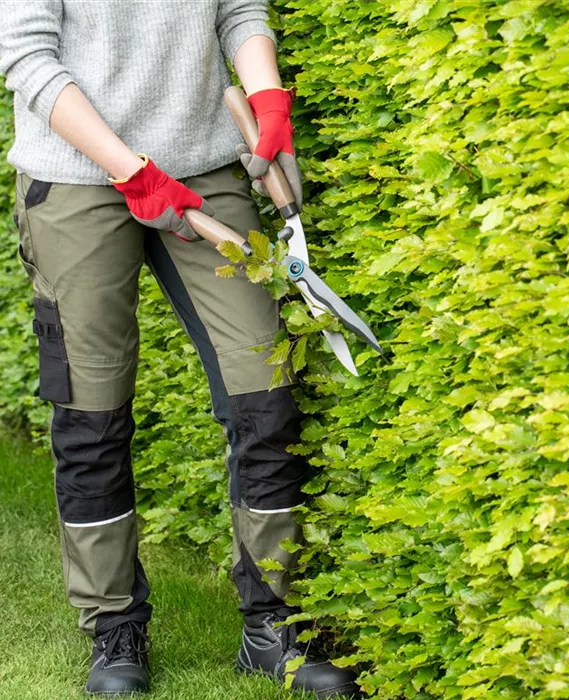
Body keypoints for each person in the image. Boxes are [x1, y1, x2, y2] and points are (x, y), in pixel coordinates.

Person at [0, 2, 360, 697]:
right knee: (91, 410)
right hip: (77, 177)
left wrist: (268, 102)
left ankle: (272, 626)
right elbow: (26, 57)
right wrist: (132, 172)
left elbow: (240, 11)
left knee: (267, 383)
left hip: (203, 168)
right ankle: (113, 629)